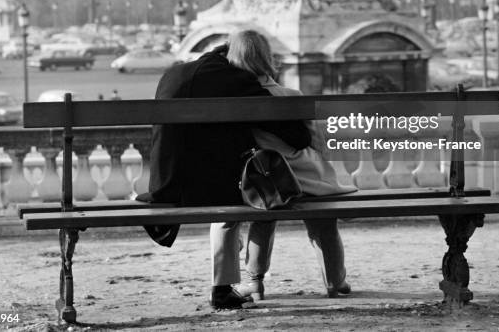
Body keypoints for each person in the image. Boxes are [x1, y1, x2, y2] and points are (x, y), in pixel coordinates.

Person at [136, 44, 311, 309]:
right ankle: (227, 287)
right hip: (207, 190)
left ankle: (230, 284)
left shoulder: (174, 73)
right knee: (254, 200)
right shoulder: (235, 79)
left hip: (166, 188)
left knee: (229, 196)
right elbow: (295, 135)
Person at [225, 29, 356, 300]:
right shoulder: (292, 95)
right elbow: (317, 143)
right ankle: (335, 281)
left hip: (269, 182)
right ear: (267, 58)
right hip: (309, 178)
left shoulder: (237, 103)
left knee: (262, 219)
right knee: (324, 223)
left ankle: (255, 281)